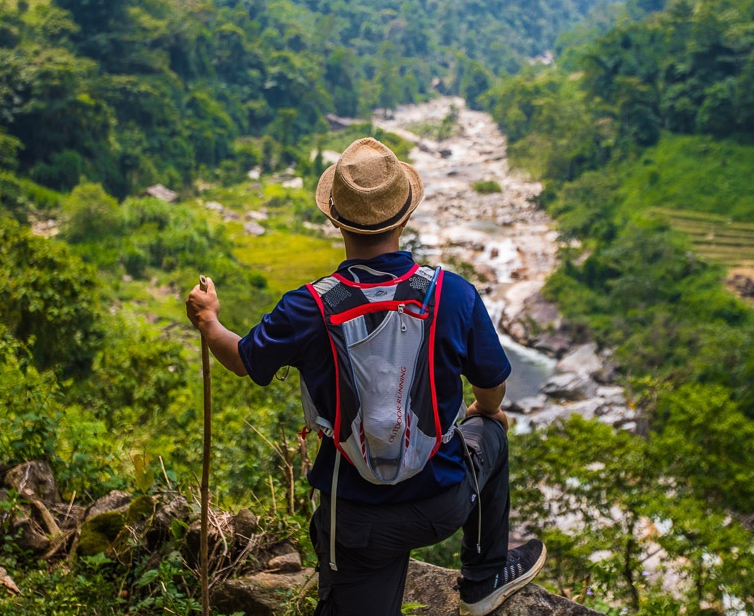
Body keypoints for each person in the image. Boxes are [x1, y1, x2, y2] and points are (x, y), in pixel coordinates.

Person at [185, 137, 545, 616]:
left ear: (334, 219)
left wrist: (209, 320)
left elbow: (244, 359)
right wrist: (486, 410)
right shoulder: (453, 294)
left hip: (356, 523)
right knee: (491, 435)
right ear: (406, 215)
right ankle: (482, 580)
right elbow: (492, 385)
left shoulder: (307, 307)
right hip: (442, 504)